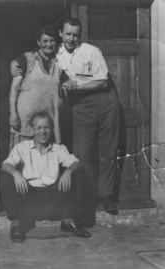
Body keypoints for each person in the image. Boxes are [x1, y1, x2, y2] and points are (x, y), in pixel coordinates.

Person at [11, 18, 120, 228]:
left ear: (81, 36)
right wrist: (15, 64)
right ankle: (87, 199)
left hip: (105, 99)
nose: (72, 38)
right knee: (83, 153)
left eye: (76, 35)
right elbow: (34, 55)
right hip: (80, 104)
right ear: (61, 34)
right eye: (68, 34)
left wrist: (76, 85)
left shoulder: (91, 51)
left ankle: (106, 195)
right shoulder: (55, 51)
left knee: (108, 151)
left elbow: (103, 81)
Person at [0, 112, 91, 242]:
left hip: (53, 199)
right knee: (6, 178)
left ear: (52, 129)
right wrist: (16, 174)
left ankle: (68, 221)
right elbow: (6, 165)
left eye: (46, 127)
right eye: (38, 128)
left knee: (78, 175)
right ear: (31, 130)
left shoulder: (59, 148)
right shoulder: (22, 147)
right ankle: (16, 224)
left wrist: (68, 172)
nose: (43, 131)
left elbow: (76, 163)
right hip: (29, 198)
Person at [8, 25, 62, 150]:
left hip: (48, 123)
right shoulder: (27, 58)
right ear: (38, 42)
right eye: (45, 41)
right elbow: (14, 87)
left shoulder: (59, 60)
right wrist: (12, 113)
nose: (49, 44)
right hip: (25, 120)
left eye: (52, 40)